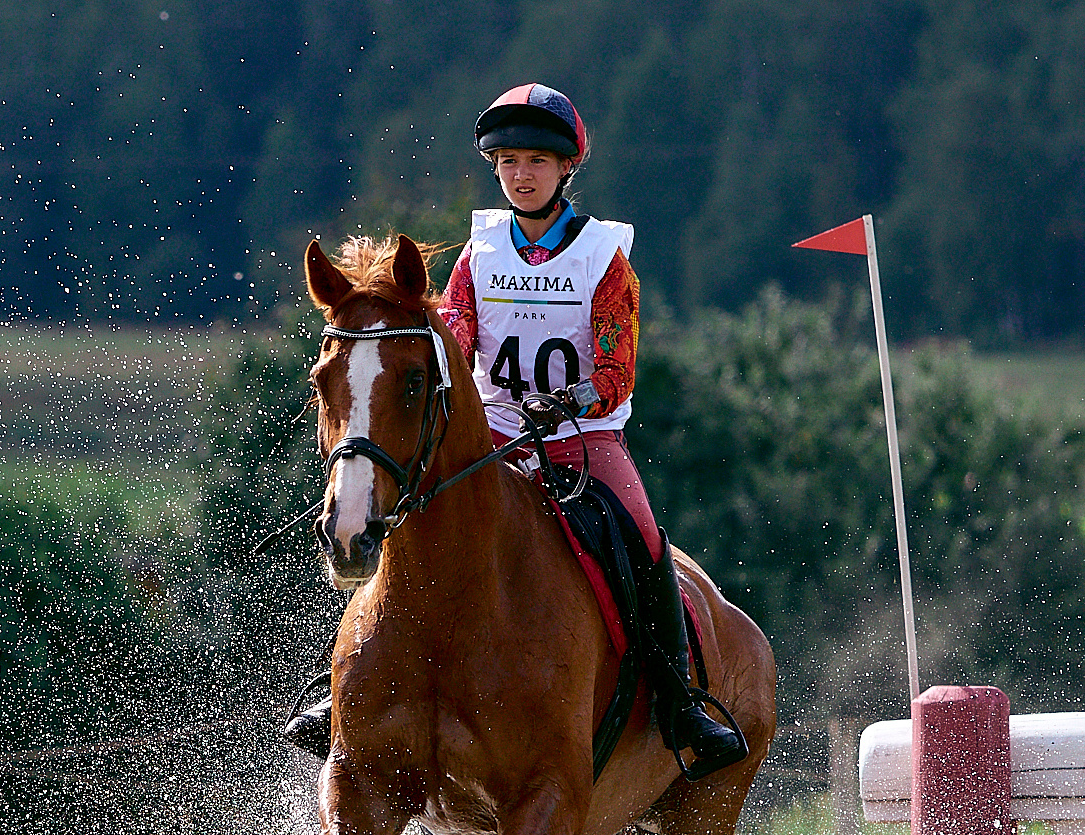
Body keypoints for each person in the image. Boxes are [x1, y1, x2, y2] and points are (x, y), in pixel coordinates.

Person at [284, 83, 746, 780]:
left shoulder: (604, 258)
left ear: (566, 168)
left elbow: (617, 369)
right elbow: (456, 338)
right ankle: (347, 688)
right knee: (397, 512)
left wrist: (568, 401)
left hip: (582, 439)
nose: (521, 174)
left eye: (536, 161)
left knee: (645, 539)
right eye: (508, 162)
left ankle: (681, 702)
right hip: (493, 436)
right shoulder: (479, 255)